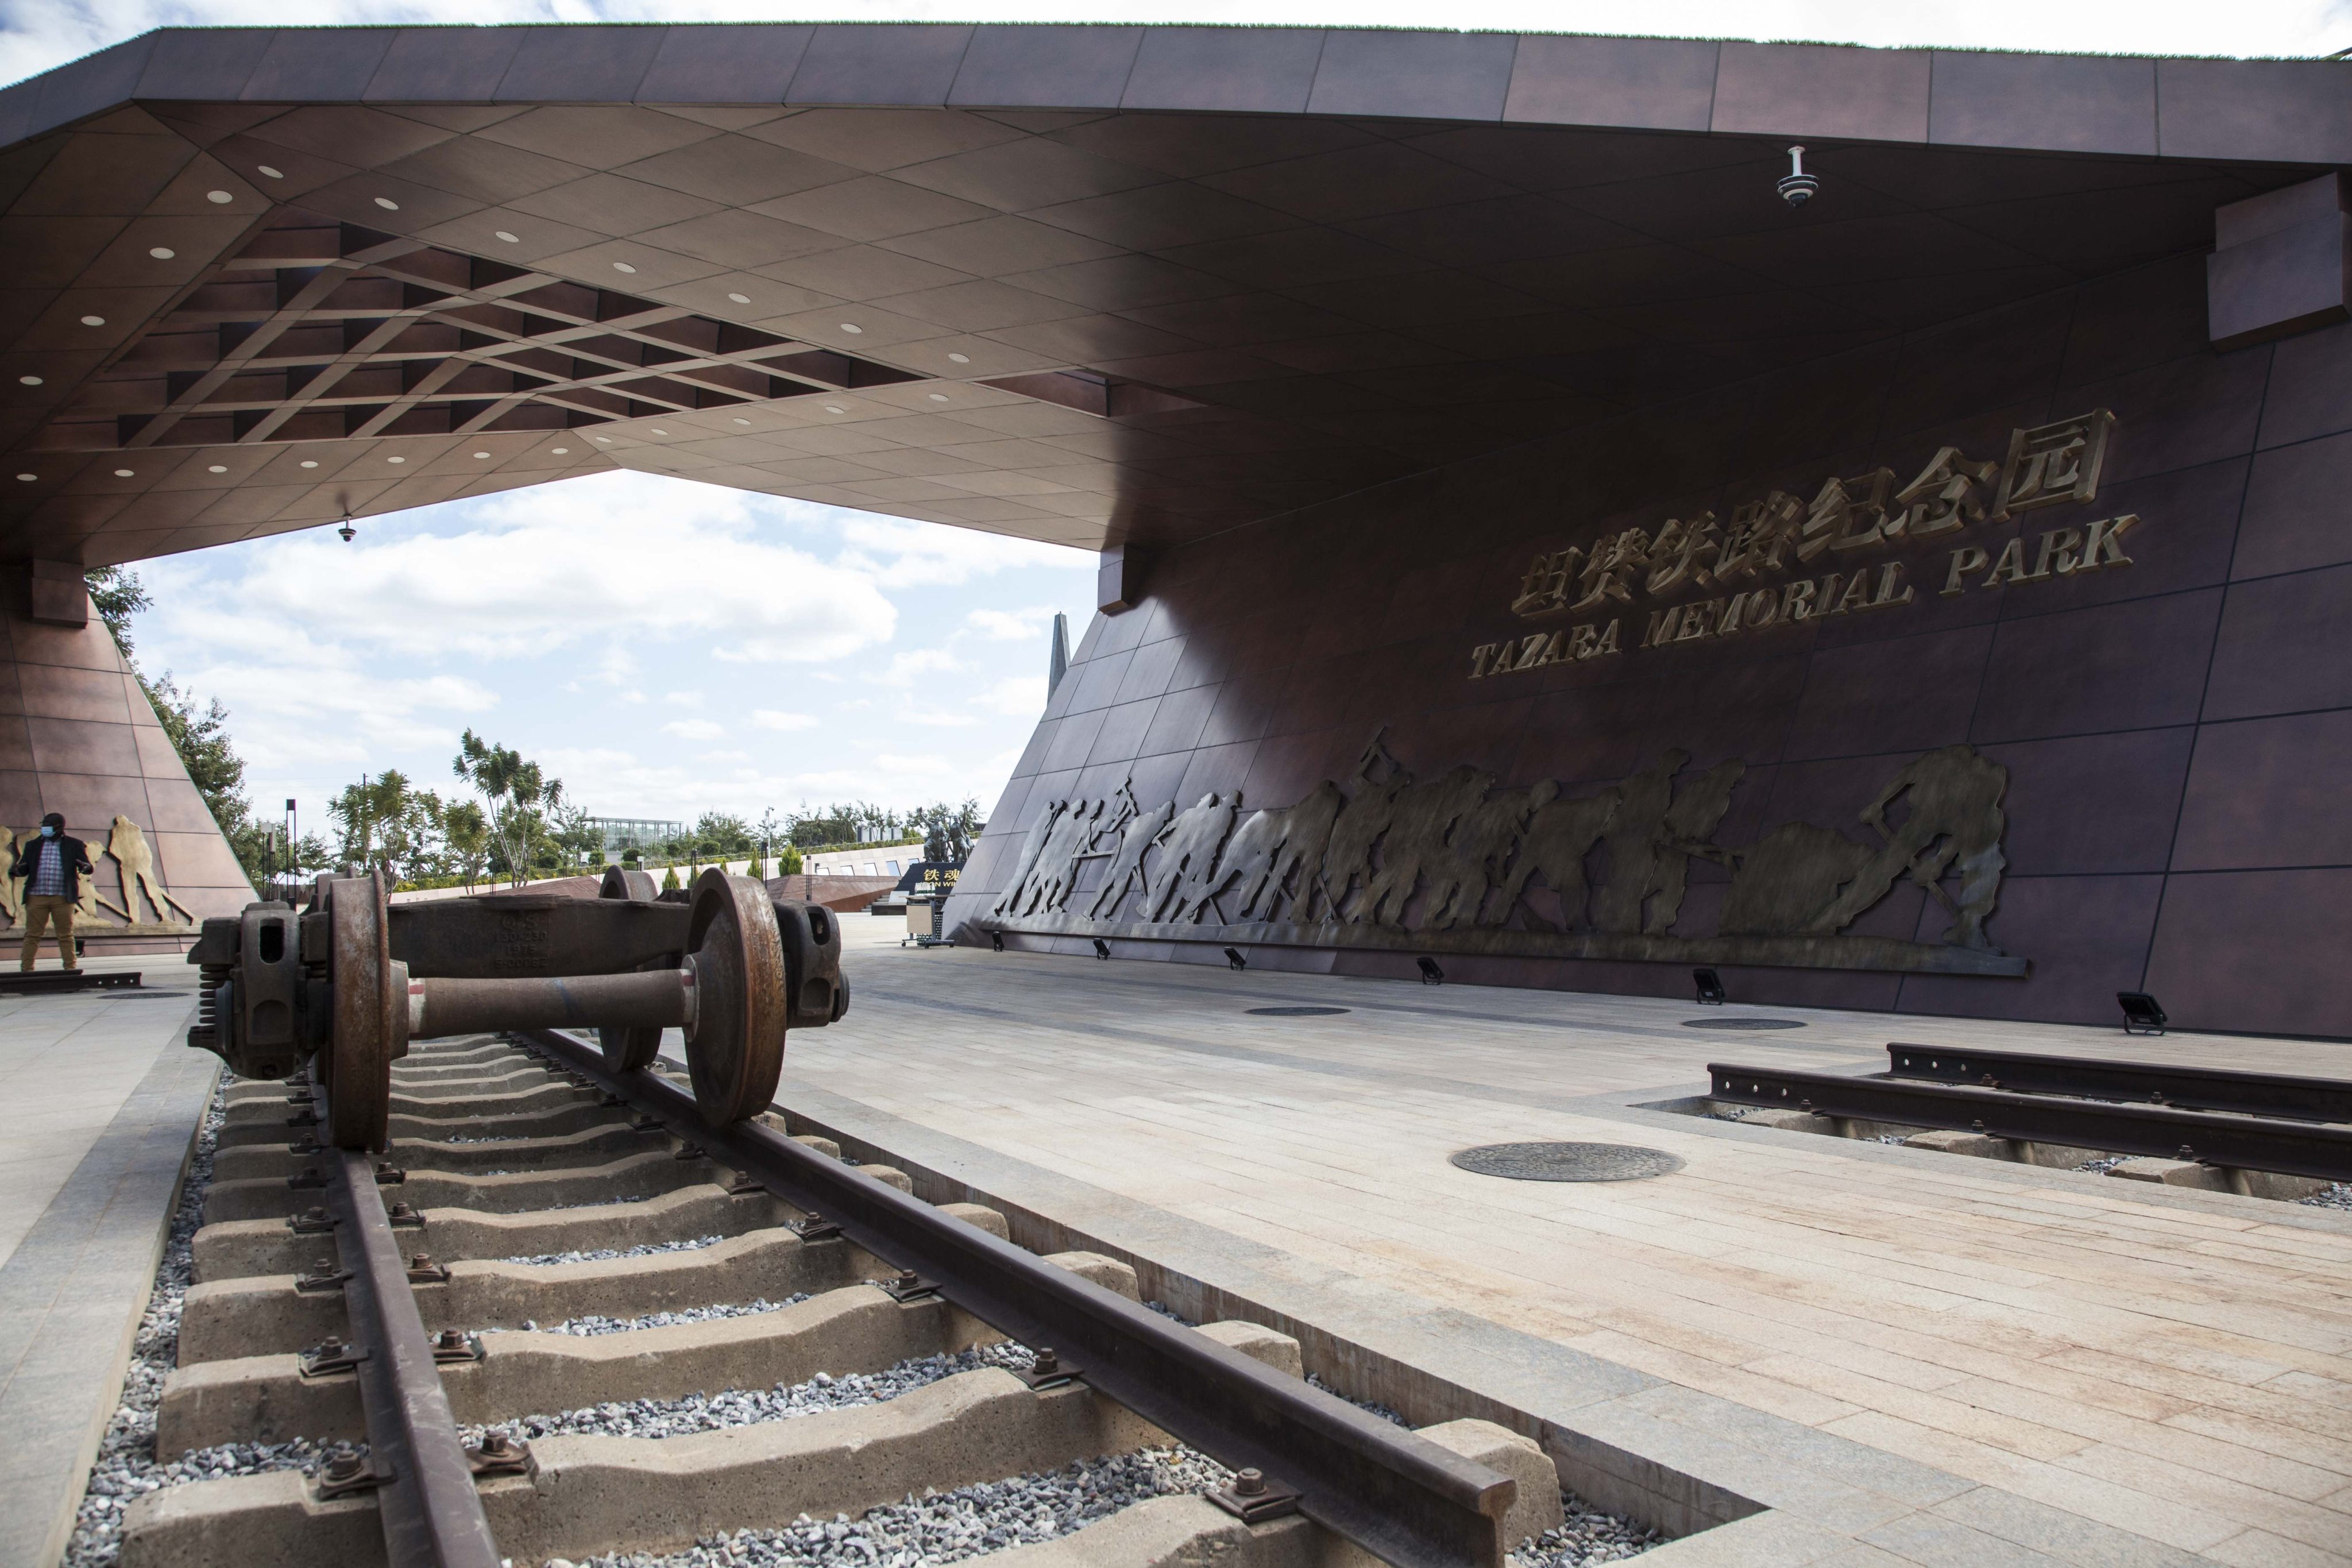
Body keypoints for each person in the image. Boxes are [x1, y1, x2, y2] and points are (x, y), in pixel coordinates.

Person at [14, 813, 95, 971]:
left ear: (60, 827)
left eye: (49, 825)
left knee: (65, 935)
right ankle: (27, 969)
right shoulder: (32, 845)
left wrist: (86, 867)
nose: (45, 828)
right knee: (32, 935)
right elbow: (24, 868)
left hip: (63, 897)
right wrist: (17, 870)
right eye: (44, 824)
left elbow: (87, 866)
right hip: (36, 896)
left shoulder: (74, 845)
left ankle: (70, 968)